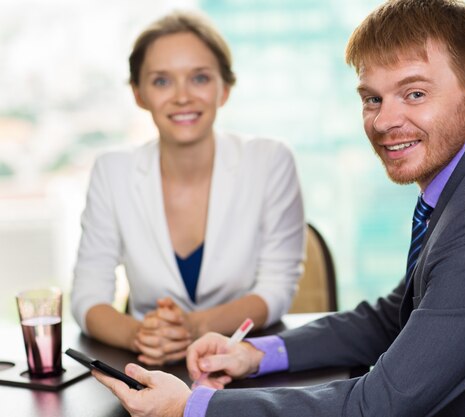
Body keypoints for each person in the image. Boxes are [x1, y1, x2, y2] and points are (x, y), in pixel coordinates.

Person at [93, 0, 465, 415]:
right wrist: (258, 355)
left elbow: (380, 405)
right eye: (372, 98)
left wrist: (192, 406)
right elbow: (394, 317)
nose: (385, 120)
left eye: (414, 94)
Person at [71, 11, 306, 366]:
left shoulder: (270, 160)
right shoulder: (112, 171)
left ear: (224, 89)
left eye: (199, 78)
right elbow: (88, 296)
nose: (182, 97)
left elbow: (275, 290)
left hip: (242, 361)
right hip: (149, 363)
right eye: (162, 81)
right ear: (139, 93)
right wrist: (139, 333)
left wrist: (194, 326)